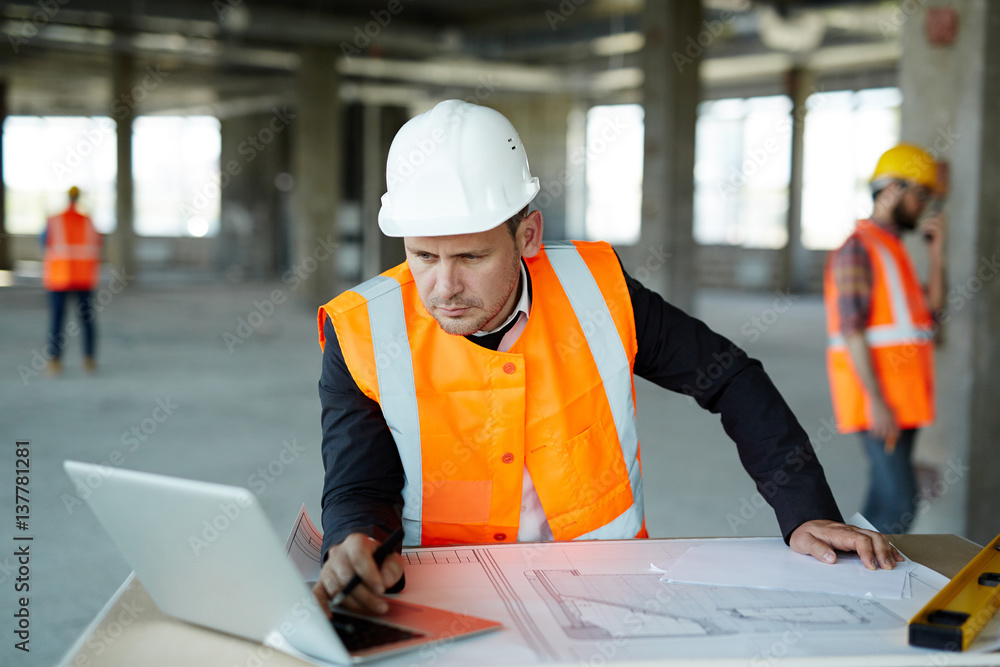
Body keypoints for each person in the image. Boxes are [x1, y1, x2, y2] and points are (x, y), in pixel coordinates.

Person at [314, 100, 901, 616]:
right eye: (423, 256)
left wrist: (806, 512)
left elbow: (731, 379)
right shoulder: (363, 330)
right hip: (448, 596)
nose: (443, 287)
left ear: (527, 237)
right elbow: (360, 483)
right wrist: (358, 542)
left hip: (608, 597)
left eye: (470, 257)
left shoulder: (597, 292)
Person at [824, 143, 945, 535]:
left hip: (904, 399)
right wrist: (876, 399)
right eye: (919, 194)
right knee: (899, 502)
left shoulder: (893, 249)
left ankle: (857, 581)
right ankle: (875, 586)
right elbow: (851, 329)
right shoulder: (857, 250)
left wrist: (937, 255)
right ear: (892, 189)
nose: (923, 205)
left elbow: (932, 315)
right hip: (879, 401)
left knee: (883, 499)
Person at [41, 186, 102, 374]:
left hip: (59, 279)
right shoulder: (88, 222)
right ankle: (89, 359)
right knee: (87, 320)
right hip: (84, 279)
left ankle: (55, 361)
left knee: (57, 320)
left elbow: (43, 242)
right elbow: (98, 243)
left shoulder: (54, 221)